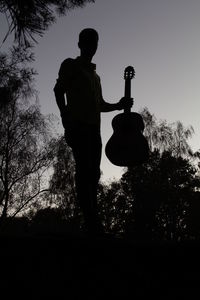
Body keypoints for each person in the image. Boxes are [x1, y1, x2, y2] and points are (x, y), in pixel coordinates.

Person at [54, 28, 133, 236]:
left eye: (95, 42)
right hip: (78, 127)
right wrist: (65, 117)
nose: (92, 45)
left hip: (94, 131)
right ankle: (91, 222)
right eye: (88, 41)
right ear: (80, 44)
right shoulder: (70, 65)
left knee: (94, 174)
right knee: (83, 172)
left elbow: (100, 104)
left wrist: (118, 105)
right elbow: (58, 90)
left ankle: (93, 220)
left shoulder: (96, 77)